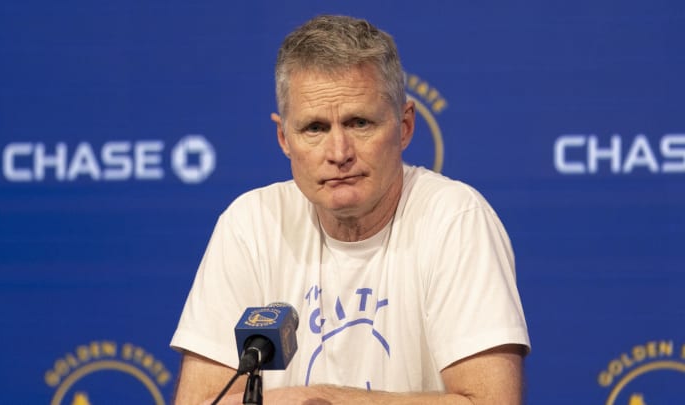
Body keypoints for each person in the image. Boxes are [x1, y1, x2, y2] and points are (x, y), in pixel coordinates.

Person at [171, 14, 530, 405]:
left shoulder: (455, 219)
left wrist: (321, 399)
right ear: (283, 138)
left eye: (359, 123)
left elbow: (490, 401)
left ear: (405, 126)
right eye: (314, 128)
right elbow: (200, 401)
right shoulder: (251, 223)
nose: (339, 153)